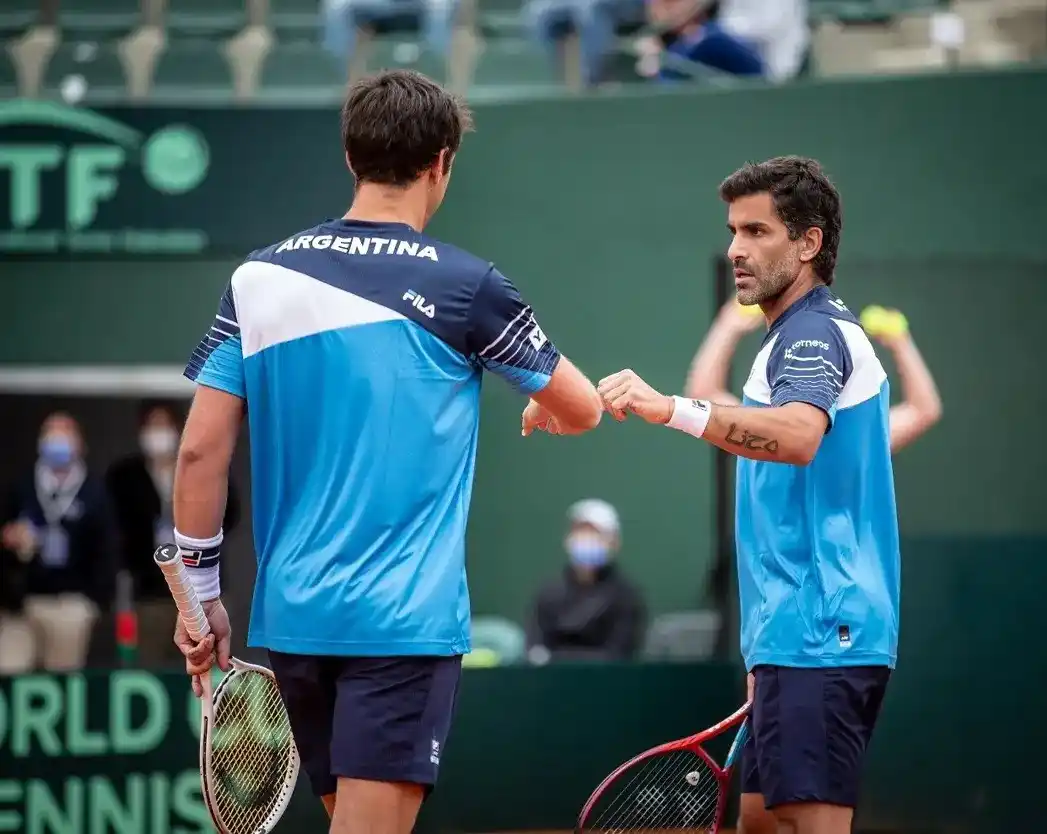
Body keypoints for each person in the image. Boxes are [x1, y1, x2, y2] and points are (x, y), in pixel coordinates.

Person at [171, 70, 604, 834]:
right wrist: (540, 402)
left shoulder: (257, 278)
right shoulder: (469, 286)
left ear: (350, 156)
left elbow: (201, 451)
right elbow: (584, 407)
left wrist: (203, 595)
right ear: (442, 162)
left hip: (295, 624)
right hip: (399, 626)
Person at [592, 157, 899, 834]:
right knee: (760, 823)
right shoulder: (785, 339)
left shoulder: (814, 333)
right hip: (790, 637)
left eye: (757, 231)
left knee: (803, 824)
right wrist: (764, 649)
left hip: (822, 629)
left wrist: (669, 407)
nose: (736, 248)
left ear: (808, 243)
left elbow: (795, 436)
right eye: (733, 231)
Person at [686, 297, 942, 453]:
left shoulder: (857, 438)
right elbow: (702, 395)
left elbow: (923, 411)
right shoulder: (765, 432)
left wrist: (728, 324)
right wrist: (729, 324)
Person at [106, 400, 241, 667]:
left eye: (164, 425)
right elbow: (116, 527)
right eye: (153, 426)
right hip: (150, 590)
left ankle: (205, 710)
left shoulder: (200, 468)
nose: (159, 434)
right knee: (150, 663)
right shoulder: (125, 476)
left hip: (200, 586)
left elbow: (230, 512)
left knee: (205, 666)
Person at [0, 412, 117, 673]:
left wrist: (93, 602)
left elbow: (107, 550)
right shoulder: (22, 487)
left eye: (65, 434)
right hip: (24, 604)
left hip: (71, 604)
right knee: (10, 669)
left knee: (63, 679)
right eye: (50, 433)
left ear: (80, 444)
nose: (57, 441)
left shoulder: (95, 492)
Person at [526, 498, 646, 664]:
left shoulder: (626, 596)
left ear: (614, 543)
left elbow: (619, 654)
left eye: (595, 534)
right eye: (580, 532)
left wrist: (558, 658)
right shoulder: (549, 591)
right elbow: (534, 647)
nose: (586, 540)